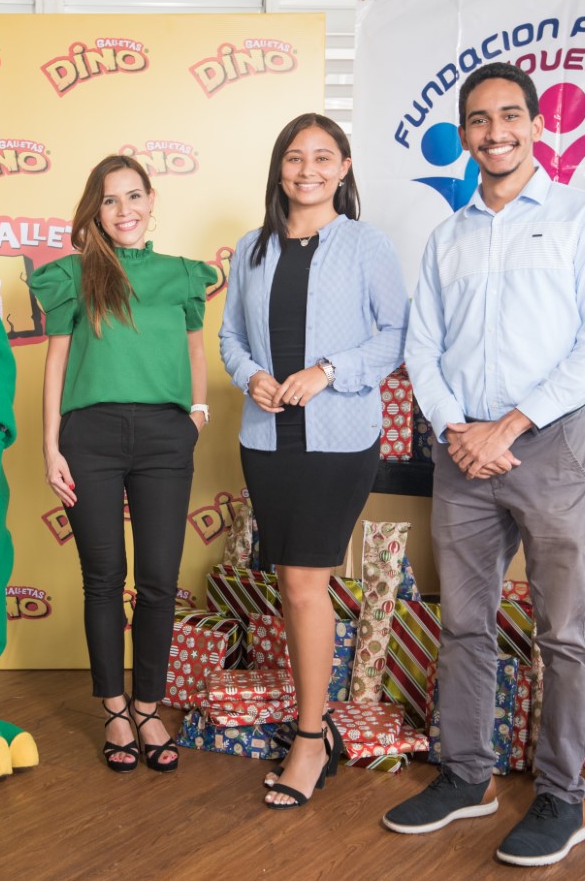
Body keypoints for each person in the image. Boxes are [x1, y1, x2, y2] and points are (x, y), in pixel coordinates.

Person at [383, 62, 585, 866]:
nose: (496, 132)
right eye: (480, 120)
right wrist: (459, 427)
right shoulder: (447, 237)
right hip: (461, 451)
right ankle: (466, 776)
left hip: (551, 444)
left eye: (510, 115)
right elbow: (423, 346)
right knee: (465, 623)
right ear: (465, 134)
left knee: (561, 630)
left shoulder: (582, 216)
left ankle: (562, 796)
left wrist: (511, 423)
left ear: (535, 124)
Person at [219, 113, 408, 808]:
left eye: (322, 157)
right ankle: (314, 726)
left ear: (345, 166)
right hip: (266, 442)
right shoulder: (252, 247)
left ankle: (309, 735)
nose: (307, 169)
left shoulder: (366, 245)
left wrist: (330, 369)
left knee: (304, 582)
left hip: (337, 441)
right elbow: (229, 335)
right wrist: (250, 377)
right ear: (279, 169)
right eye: (294, 157)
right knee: (296, 584)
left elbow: (395, 336)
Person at [30, 155, 217, 773]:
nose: (125, 210)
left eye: (134, 196)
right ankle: (114, 708)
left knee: (160, 578)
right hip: (92, 438)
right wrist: (51, 445)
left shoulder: (182, 275)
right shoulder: (73, 276)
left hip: (166, 437)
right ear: (96, 212)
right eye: (110, 201)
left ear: (152, 200)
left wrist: (195, 414)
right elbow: (56, 363)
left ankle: (147, 705)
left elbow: (195, 349)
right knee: (104, 578)